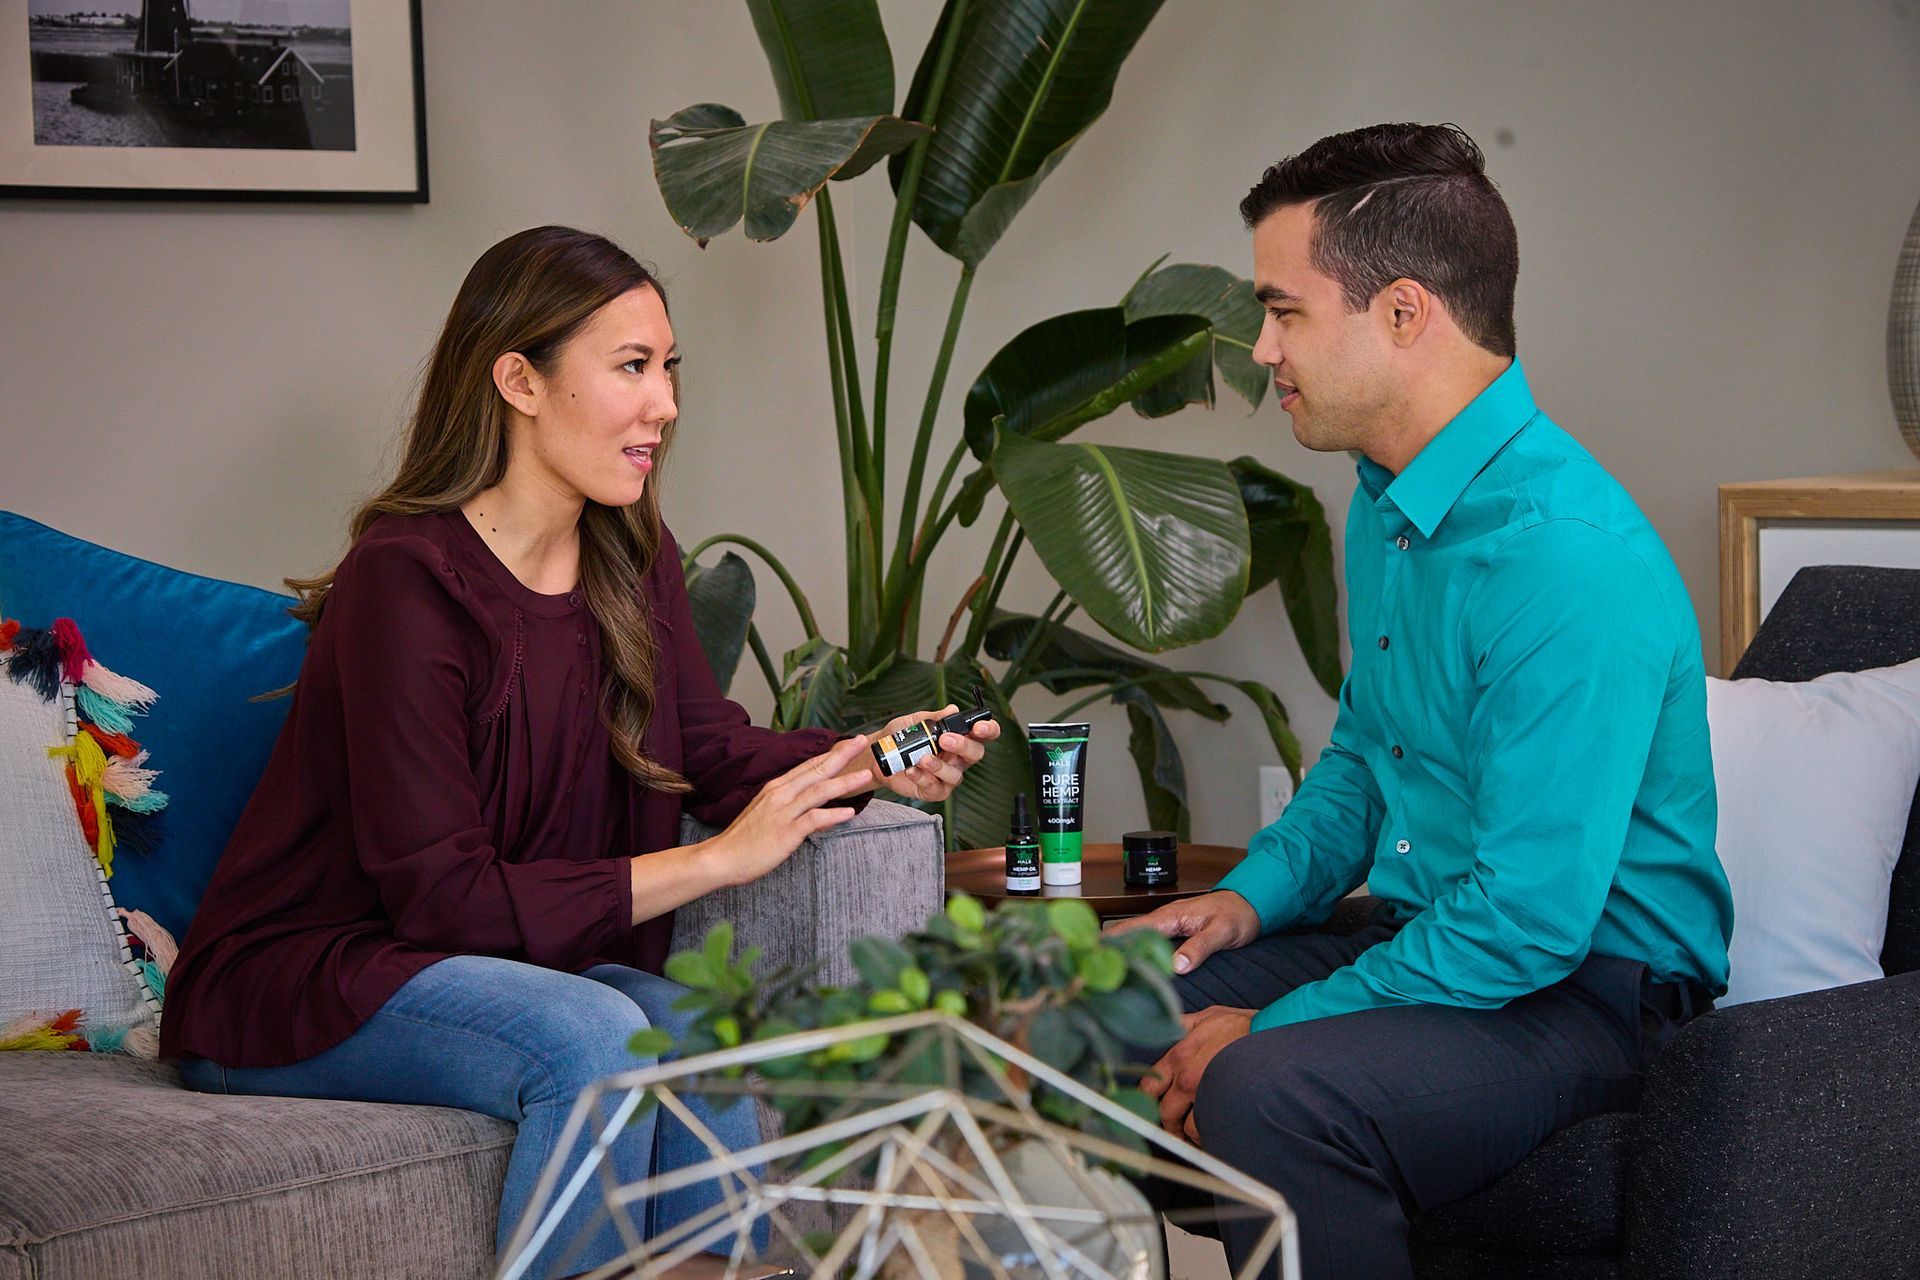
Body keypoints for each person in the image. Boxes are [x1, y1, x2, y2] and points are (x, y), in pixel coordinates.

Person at [159, 226, 1000, 1278]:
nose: (667, 405)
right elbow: (441, 901)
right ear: (518, 378)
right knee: (595, 1035)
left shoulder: (629, 549)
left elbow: (706, 743)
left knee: (705, 1023)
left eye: (670, 368)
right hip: (306, 976)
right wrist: (715, 859)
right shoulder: (406, 581)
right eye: (633, 368)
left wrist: (863, 758)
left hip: (486, 961)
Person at [1110, 124, 1734, 1280]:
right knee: (1100, 1004)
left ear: (1404, 313)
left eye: (1284, 311)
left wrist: (1278, 1024)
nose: (1260, 349)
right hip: (1429, 940)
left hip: (1588, 989)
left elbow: (1533, 916)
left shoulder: (1565, 559)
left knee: (1268, 1085)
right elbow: (1363, 754)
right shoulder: (1385, 501)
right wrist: (1243, 904)